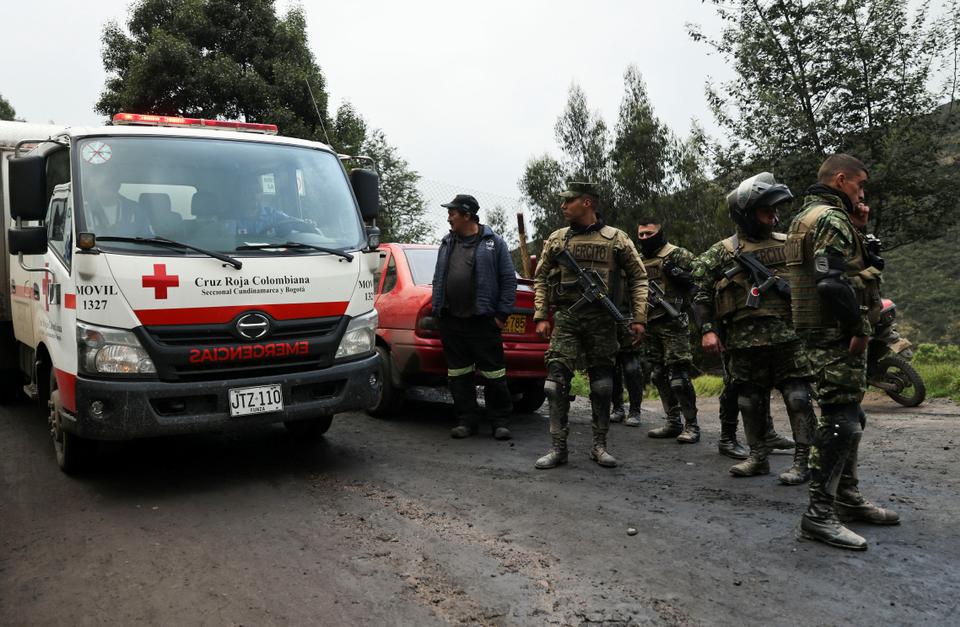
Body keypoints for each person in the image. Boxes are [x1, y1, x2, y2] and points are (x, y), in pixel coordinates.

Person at [787, 154, 898, 551]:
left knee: (852, 413)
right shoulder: (830, 219)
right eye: (859, 185)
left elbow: (842, 268)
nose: (862, 193)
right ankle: (819, 515)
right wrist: (859, 329)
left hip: (821, 331)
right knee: (841, 421)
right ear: (840, 180)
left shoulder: (810, 216)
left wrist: (861, 229)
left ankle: (846, 497)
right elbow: (832, 285)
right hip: (834, 333)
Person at [692, 172, 816, 485]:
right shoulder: (722, 252)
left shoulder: (790, 244)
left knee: (798, 396)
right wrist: (707, 330)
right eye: (766, 211)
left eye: (775, 211)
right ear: (746, 215)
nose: (774, 218)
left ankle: (804, 461)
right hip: (743, 342)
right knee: (749, 400)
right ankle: (758, 457)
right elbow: (699, 291)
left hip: (789, 339)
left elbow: (814, 284)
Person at [532, 182, 648, 469]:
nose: (563, 206)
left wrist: (639, 318)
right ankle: (558, 448)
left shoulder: (616, 239)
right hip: (567, 319)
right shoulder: (558, 240)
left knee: (603, 386)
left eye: (568, 201)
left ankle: (599, 445)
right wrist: (540, 315)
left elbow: (639, 278)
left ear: (587, 203)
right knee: (554, 384)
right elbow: (541, 278)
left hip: (603, 321)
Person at [431, 194, 518, 440]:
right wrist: (439, 311)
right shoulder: (447, 242)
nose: (449, 217)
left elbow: (508, 280)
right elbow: (439, 278)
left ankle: (499, 421)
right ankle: (466, 421)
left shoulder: (494, 243)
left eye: (453, 213)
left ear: (467, 215)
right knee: (458, 374)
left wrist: (501, 315)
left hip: (483, 322)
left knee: (494, 374)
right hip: (452, 321)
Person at [633, 219, 701, 444]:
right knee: (657, 375)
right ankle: (673, 421)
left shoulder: (677, 254)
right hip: (651, 325)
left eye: (649, 233)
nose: (644, 238)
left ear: (660, 232)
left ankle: (692, 425)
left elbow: (702, 279)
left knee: (679, 378)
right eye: (641, 235)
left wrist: (682, 276)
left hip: (673, 324)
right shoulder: (640, 261)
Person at [234, 177, 318, 237]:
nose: (254, 195)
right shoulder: (232, 219)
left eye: (257, 191)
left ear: (261, 194)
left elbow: (292, 222)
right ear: (241, 195)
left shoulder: (273, 214)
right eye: (249, 191)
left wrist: (307, 224)